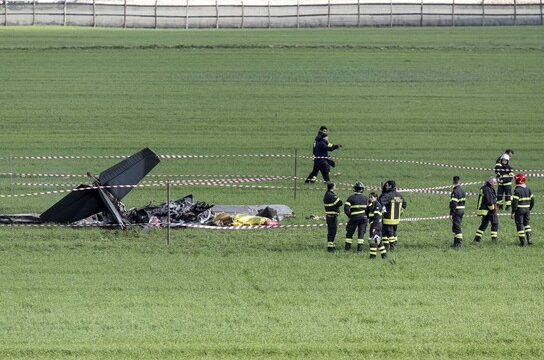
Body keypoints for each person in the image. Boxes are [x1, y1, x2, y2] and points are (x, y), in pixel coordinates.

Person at [379, 180, 407, 250]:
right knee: (393, 232)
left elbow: (379, 202)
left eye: (386, 185)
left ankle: (392, 246)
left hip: (387, 218)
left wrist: (382, 194)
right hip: (396, 219)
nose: (385, 187)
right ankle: (389, 245)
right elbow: (404, 204)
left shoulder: (387, 195)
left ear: (390, 186)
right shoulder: (399, 195)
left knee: (388, 233)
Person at [343, 181, 368, 252]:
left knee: (350, 233)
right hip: (364, 219)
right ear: (362, 189)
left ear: (354, 189)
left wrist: (350, 216)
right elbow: (369, 209)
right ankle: (360, 249)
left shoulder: (350, 198)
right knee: (361, 233)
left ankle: (347, 248)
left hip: (353, 218)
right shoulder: (366, 198)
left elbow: (346, 209)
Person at [511, 173, 535, 246]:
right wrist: (529, 209)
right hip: (527, 210)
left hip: (519, 210)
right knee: (527, 225)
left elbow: (515, 203)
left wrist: (513, 212)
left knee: (520, 225)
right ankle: (529, 239)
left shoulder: (517, 190)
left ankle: (522, 242)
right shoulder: (528, 189)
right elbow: (533, 201)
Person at [474, 176, 499, 242]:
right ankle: (494, 240)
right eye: (494, 182)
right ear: (490, 182)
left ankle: (477, 239)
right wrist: (493, 209)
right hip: (489, 210)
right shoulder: (487, 189)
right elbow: (489, 201)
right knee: (495, 223)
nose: (495, 184)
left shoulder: (487, 188)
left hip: (485, 209)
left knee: (484, 224)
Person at [366, 192, 387, 259]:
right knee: (378, 241)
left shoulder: (377, 205)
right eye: (369, 197)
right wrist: (368, 206)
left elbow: (377, 217)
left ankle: (373, 256)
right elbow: (367, 214)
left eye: (371, 197)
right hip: (373, 225)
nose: (370, 198)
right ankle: (384, 255)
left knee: (373, 240)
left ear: (376, 197)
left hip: (376, 225)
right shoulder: (372, 205)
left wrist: (375, 228)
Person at [323, 181, 343, 253]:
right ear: (332, 187)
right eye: (335, 186)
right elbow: (340, 203)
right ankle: (330, 248)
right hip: (332, 216)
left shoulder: (327, 194)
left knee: (331, 231)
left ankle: (332, 246)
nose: (335, 187)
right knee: (332, 232)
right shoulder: (331, 195)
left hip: (329, 216)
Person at [450, 176, 466, 248]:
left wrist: (451, 213)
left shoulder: (455, 191)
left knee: (456, 227)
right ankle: (456, 242)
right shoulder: (462, 190)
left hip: (456, 210)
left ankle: (458, 243)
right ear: (460, 181)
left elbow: (453, 203)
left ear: (453, 182)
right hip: (462, 209)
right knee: (456, 226)